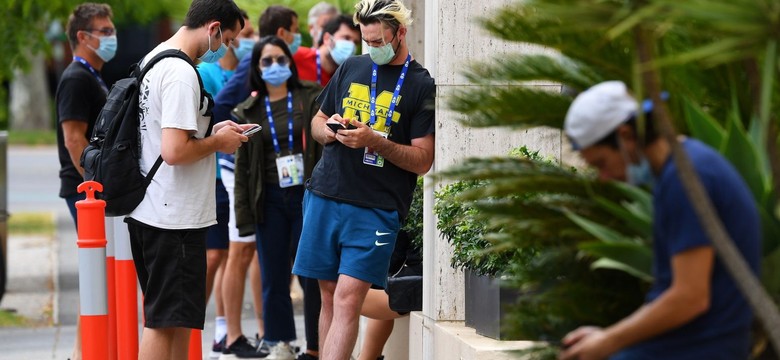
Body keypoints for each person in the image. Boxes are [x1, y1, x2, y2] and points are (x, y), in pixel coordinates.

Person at [559, 81, 761, 360]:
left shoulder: (686, 179)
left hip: (701, 349)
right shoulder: (684, 168)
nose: (603, 178)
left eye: (601, 164)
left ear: (626, 135)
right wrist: (605, 338)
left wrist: (608, 341)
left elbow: (690, 297)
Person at [291, 0, 436, 358]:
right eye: (366, 41)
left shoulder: (421, 84)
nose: (371, 48)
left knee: (347, 298)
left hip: (376, 208)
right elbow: (317, 121)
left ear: (400, 34)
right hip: (325, 193)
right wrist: (330, 131)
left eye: (378, 41)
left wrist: (374, 140)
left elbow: (423, 160)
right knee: (327, 294)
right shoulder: (352, 66)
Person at [125, 1, 254, 359]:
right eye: (227, 40)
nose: (226, 49)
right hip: (173, 215)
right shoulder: (182, 73)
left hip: (153, 208)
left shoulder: (156, 57)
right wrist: (219, 142)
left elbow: (168, 133)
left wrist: (212, 129)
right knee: (164, 322)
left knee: (176, 320)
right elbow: (175, 151)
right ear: (213, 28)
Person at [233, 35, 324, 360]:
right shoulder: (248, 110)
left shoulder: (310, 97)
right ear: (257, 68)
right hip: (268, 199)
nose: (274, 66)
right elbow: (243, 171)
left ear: (290, 62)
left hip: (307, 196)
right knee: (273, 275)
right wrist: (243, 217)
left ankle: (316, 346)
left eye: (280, 59)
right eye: (266, 61)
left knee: (311, 275)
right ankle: (280, 343)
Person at [196, 9, 265, 359]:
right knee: (222, 254)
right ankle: (220, 329)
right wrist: (226, 132)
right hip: (223, 171)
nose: (238, 43)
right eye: (237, 35)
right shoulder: (202, 71)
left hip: (239, 168)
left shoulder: (240, 66)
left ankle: (226, 330)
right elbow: (198, 131)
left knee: (232, 253)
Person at [55, 4, 116, 359]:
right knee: (95, 277)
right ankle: (83, 352)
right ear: (83, 36)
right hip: (84, 190)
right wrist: (95, 185)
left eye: (111, 30)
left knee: (100, 277)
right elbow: (74, 139)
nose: (111, 37)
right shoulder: (77, 79)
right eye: (104, 31)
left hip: (91, 189)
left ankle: (87, 350)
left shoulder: (91, 75)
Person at [293, 14, 361, 87]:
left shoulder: (346, 79)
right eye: (346, 38)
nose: (351, 46)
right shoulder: (296, 56)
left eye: (355, 43)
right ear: (327, 38)